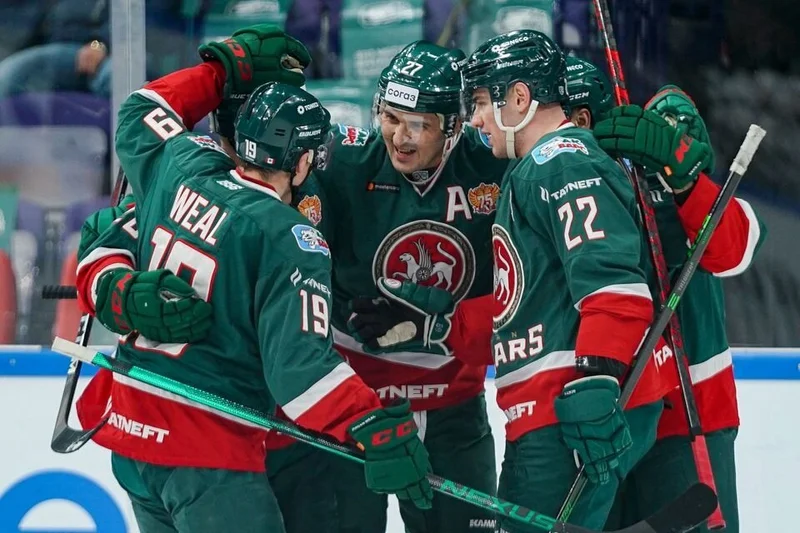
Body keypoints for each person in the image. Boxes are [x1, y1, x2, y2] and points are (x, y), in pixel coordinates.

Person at [72, 25, 432, 532]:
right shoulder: (291, 237)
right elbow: (300, 371)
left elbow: (140, 111)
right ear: (303, 161)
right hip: (208, 446)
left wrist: (220, 69)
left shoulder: (182, 164)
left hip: (134, 430)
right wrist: (368, 424)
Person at [456, 30, 675, 531]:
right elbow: (530, 296)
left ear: (519, 98)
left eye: (483, 102)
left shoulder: (561, 162)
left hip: (570, 407)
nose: (476, 120)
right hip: (551, 409)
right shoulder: (534, 169)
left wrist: (596, 379)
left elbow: (611, 285)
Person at [290, 40, 508, 532]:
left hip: (454, 406)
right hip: (356, 405)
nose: (400, 138)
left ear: (453, 126)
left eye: (419, 125)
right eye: (390, 118)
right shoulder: (340, 164)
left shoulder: (496, 166)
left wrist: (440, 324)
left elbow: (530, 290)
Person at [569, 58, 766, 533]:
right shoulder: (582, 190)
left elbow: (734, 248)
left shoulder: (681, 182)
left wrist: (684, 179)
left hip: (691, 414)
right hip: (608, 414)